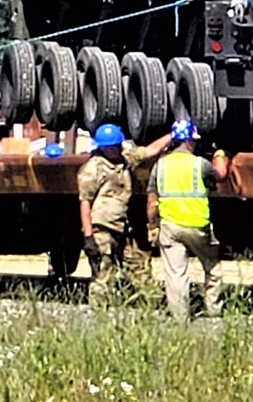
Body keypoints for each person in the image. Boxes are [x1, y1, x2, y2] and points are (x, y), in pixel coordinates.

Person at [78, 123, 172, 307]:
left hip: (122, 226)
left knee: (137, 265)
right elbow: (85, 203)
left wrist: (172, 134)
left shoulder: (124, 160)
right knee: (103, 275)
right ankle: (98, 312)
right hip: (102, 229)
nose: (116, 149)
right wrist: (88, 236)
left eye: (117, 145)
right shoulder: (92, 169)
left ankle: (155, 303)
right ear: (103, 148)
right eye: (112, 147)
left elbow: (150, 151)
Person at [147, 119, 229, 321]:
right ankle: (213, 309)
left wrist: (152, 225)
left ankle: (180, 317)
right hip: (197, 225)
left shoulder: (160, 166)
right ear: (190, 142)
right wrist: (220, 156)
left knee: (175, 274)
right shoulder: (199, 164)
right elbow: (220, 175)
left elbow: (151, 202)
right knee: (212, 266)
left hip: (169, 227)